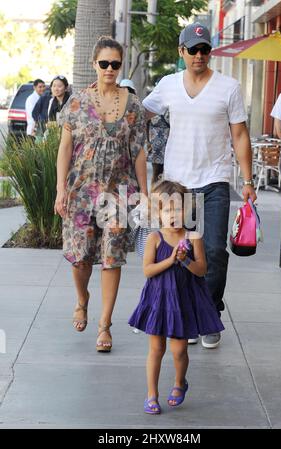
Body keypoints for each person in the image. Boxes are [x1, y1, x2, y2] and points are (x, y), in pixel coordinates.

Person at [142, 22, 256, 348]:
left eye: (205, 49)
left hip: (215, 181)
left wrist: (247, 181)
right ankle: (190, 314)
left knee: (216, 252)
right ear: (181, 52)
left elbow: (240, 135)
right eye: (193, 50)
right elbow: (140, 114)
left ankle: (209, 315)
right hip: (180, 187)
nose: (199, 55)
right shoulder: (167, 85)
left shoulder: (228, 87)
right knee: (186, 252)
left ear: (211, 52)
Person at [54, 36, 147, 353]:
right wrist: (60, 189)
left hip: (119, 193)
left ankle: (105, 326)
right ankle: (82, 299)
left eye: (115, 64)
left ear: (121, 66)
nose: (110, 69)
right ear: (94, 64)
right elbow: (65, 149)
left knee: (111, 259)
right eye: (104, 63)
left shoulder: (132, 105)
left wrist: (144, 194)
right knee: (81, 260)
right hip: (81, 192)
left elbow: (139, 153)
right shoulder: (77, 102)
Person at [128, 180, 224, 414]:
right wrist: (170, 260)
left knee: (179, 350)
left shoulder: (193, 237)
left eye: (178, 208)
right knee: (156, 348)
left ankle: (180, 382)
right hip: (159, 300)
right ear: (158, 213)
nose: (173, 214)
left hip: (182, 301)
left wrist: (186, 261)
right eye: (167, 209)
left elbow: (202, 270)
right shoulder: (155, 239)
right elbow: (147, 271)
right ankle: (152, 394)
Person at [147, 111, 169, 187]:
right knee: (157, 173)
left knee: (171, 175)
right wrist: (148, 142)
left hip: (171, 145)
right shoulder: (152, 103)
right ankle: (154, 196)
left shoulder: (173, 102)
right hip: (156, 147)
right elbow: (146, 123)